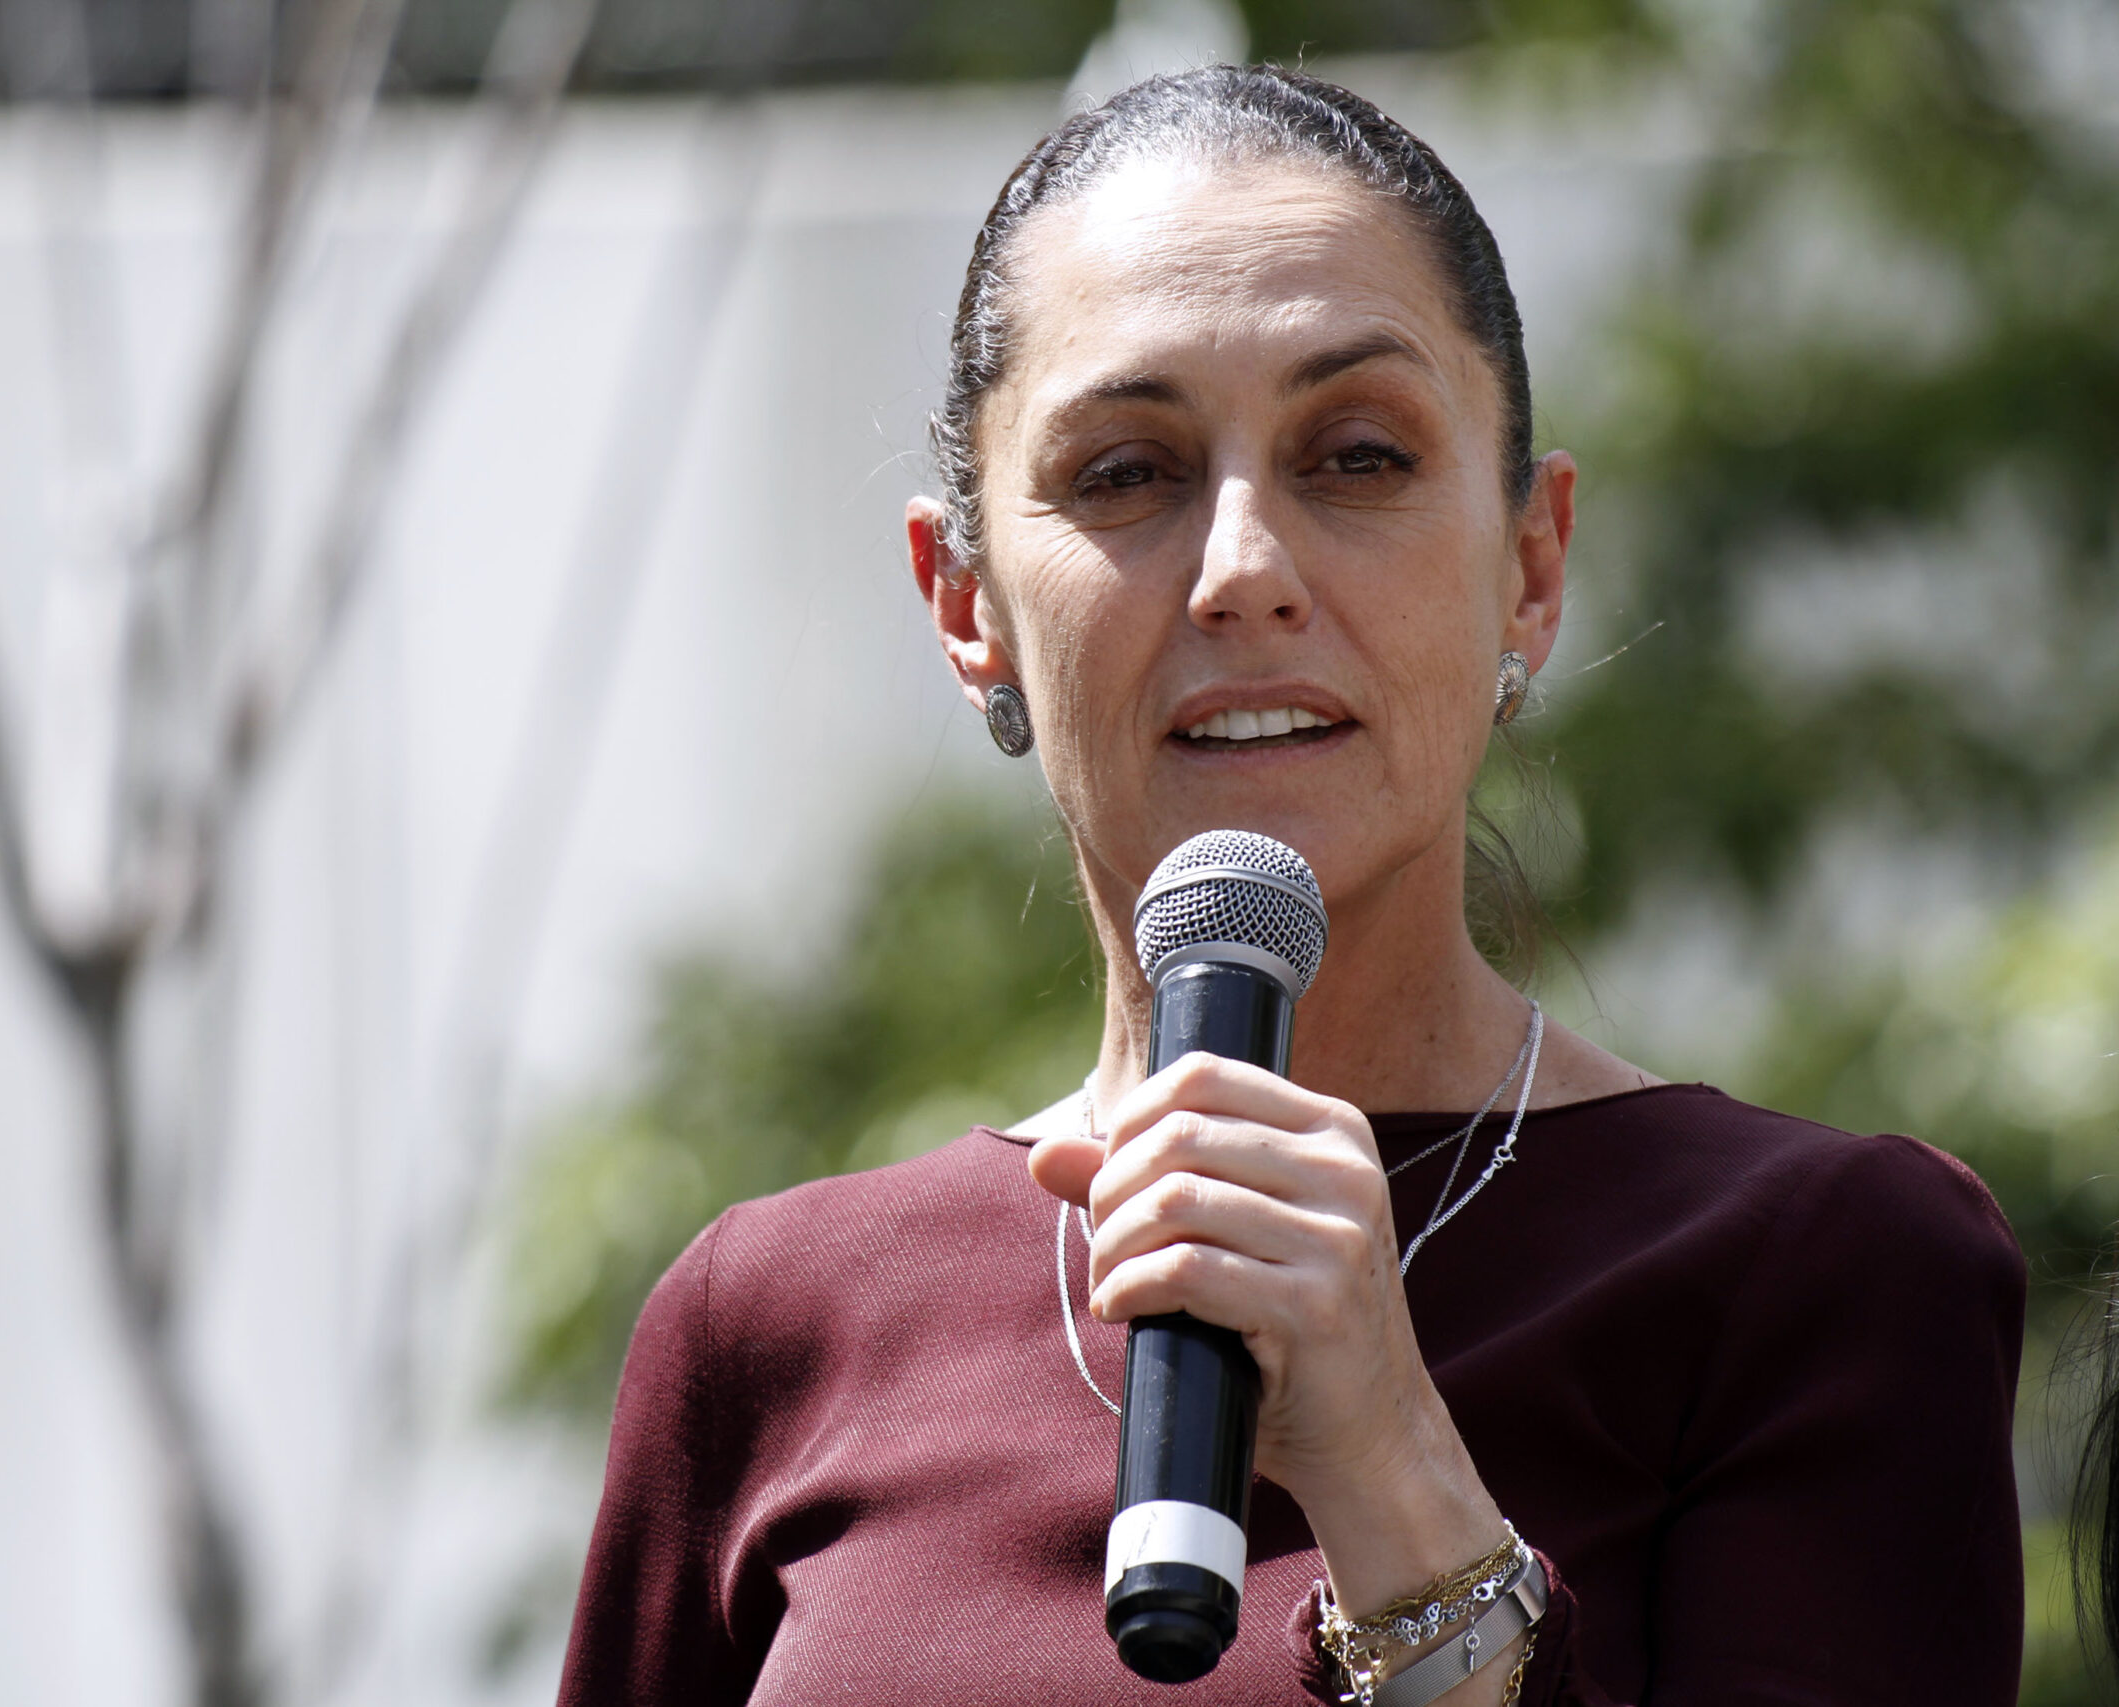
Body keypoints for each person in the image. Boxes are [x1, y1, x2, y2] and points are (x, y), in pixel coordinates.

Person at [556, 64, 2024, 1706]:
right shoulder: (771, 1327)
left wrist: (1394, 1474)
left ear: (1531, 567)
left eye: (1360, 455)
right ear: (965, 603)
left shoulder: (1818, 1276)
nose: (1244, 569)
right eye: (1127, 472)